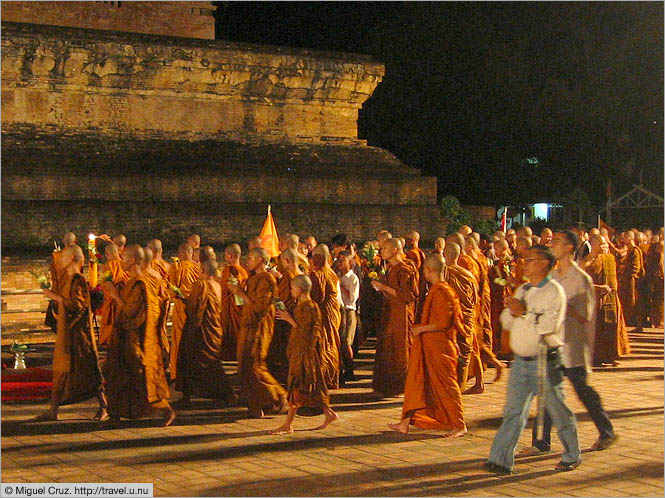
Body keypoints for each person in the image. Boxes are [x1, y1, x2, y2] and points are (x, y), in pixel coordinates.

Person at [485, 245, 581, 474]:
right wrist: (513, 311)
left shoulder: (554, 292)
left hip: (545, 360)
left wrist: (524, 314)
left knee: (557, 410)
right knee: (514, 411)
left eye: (529, 260)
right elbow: (506, 321)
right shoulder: (524, 289)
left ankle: (572, 453)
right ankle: (500, 459)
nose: (524, 264)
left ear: (543, 264)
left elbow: (548, 326)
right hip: (521, 362)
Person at [520, 231, 616, 457]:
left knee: (582, 391)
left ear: (570, 248)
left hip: (572, 345)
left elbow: (586, 315)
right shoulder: (552, 277)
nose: (552, 245)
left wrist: (561, 305)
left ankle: (606, 430)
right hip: (553, 342)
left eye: (557, 242)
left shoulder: (580, 278)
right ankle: (541, 442)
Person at [387, 255, 466, 437]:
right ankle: (405, 423)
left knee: (447, 387)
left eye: (424, 271)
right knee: (417, 382)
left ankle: (460, 424)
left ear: (429, 271)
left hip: (440, 347)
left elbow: (443, 323)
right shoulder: (437, 290)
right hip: (430, 346)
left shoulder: (443, 292)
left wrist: (421, 329)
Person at [33, 246, 108, 422]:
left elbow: (78, 306)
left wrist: (54, 296)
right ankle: (53, 410)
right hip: (67, 332)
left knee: (88, 371)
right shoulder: (68, 279)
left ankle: (104, 406)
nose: (60, 261)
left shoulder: (78, 280)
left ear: (72, 258)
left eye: (63, 257)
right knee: (60, 371)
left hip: (78, 335)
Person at [103, 245, 175, 426]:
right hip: (125, 336)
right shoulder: (133, 282)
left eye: (125, 257)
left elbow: (130, 312)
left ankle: (164, 408)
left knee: (139, 375)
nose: (121, 261)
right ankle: (116, 414)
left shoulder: (140, 283)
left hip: (134, 338)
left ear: (134, 260)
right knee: (118, 374)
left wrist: (114, 295)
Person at [269, 275, 339, 434]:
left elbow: (307, 333)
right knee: (309, 388)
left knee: (297, 386)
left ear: (300, 290)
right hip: (298, 351)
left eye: (293, 288)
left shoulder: (309, 307)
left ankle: (287, 424)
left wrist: (289, 319)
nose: (291, 291)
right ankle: (329, 414)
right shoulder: (301, 305)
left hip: (305, 353)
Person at [229, 248, 288, 418]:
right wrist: (239, 293)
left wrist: (240, 293)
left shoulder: (267, 280)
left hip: (259, 327)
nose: (248, 260)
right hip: (248, 326)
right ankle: (258, 404)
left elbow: (260, 308)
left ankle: (279, 395)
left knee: (255, 365)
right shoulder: (253, 278)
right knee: (245, 366)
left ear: (261, 260)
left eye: (252, 258)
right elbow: (248, 304)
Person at [175, 259, 236, 408]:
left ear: (202, 270)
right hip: (213, 329)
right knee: (211, 362)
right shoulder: (217, 285)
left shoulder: (200, 285)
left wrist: (181, 297)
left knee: (189, 360)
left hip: (200, 330)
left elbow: (195, 310)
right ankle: (226, 393)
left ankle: (189, 395)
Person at [370, 237, 418, 398]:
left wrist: (384, 287)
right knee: (387, 347)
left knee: (399, 349)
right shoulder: (390, 267)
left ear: (395, 250)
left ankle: (400, 387)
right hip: (389, 312)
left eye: (384, 248)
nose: (381, 251)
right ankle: (385, 386)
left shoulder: (405, 268)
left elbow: (408, 295)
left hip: (401, 315)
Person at [581, 234, 630, 366]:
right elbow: (581, 283)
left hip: (610, 297)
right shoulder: (586, 261)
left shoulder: (609, 258)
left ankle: (610, 356)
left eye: (606, 245)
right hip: (594, 298)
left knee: (611, 327)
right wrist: (598, 287)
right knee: (597, 328)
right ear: (593, 245)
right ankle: (595, 357)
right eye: (602, 245)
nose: (605, 247)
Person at [443, 242, 477, 392]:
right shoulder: (468, 275)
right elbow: (475, 298)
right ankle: (459, 387)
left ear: (446, 255)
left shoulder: (447, 273)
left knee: (455, 351)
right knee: (464, 352)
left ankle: (453, 388)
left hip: (455, 318)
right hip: (468, 316)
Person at [310, 244, 342, 390]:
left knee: (325, 344)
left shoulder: (321, 274)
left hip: (324, 315)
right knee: (332, 342)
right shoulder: (332, 273)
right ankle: (331, 377)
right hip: (332, 314)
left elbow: (317, 297)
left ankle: (324, 378)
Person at [267, 248, 301, 384]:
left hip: (286, 318)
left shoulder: (288, 275)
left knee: (283, 351)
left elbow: (281, 299)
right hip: (296, 316)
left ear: (287, 261)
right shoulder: (300, 273)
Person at [167, 243, 200, 382]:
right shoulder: (198, 268)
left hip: (182, 307)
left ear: (181, 253)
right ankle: (195, 372)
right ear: (191, 253)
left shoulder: (176, 267)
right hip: (195, 308)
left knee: (179, 339)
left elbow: (172, 290)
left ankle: (177, 371)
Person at [219, 244, 248, 361]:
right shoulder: (244, 271)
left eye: (226, 255)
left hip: (231, 308)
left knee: (231, 333)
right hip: (240, 308)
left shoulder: (230, 270)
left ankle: (231, 356)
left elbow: (227, 288)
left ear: (230, 255)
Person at [98, 243, 129, 346]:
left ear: (107, 254)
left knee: (113, 327)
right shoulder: (126, 264)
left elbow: (107, 287)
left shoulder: (109, 266)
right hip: (125, 300)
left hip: (114, 300)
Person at [336, 250, 360, 384]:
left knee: (346, 341)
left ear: (350, 262)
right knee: (340, 341)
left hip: (349, 311)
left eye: (342, 260)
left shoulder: (353, 279)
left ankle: (350, 369)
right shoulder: (337, 275)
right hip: (340, 310)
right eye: (338, 260)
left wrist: (341, 285)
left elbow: (352, 298)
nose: (339, 263)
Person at [617, 230, 644, 326]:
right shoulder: (630, 250)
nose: (622, 239)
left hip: (632, 280)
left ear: (629, 238)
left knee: (634, 301)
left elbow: (635, 268)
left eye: (624, 238)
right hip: (628, 279)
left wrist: (631, 277)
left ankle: (637, 324)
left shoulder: (635, 250)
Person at [404, 230, 427, 322]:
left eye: (407, 240)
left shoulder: (412, 254)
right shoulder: (421, 252)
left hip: (414, 286)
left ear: (412, 241)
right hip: (420, 285)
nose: (406, 242)